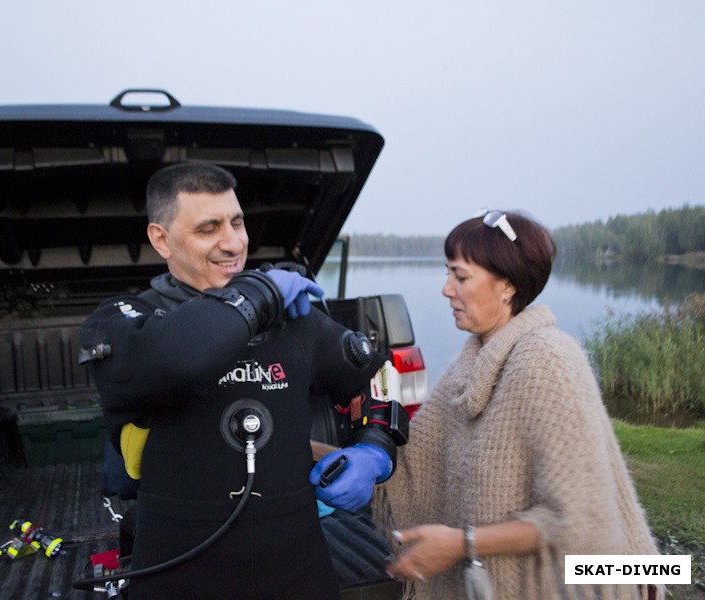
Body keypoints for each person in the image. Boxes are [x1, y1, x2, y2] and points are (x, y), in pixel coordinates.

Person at [79, 162, 406, 599]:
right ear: (161, 239)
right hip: (178, 571)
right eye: (208, 228)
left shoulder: (293, 322)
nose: (232, 243)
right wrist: (256, 292)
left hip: (298, 568)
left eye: (237, 222)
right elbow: (177, 360)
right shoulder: (125, 323)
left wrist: (376, 449)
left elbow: (377, 373)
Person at [377, 210, 662, 599]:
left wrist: (463, 544)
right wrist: (320, 452)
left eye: (460, 277)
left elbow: (578, 517)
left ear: (507, 286)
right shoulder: (471, 362)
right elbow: (411, 466)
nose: (446, 289)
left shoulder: (548, 360)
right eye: (448, 274)